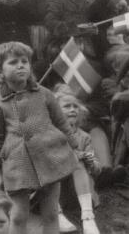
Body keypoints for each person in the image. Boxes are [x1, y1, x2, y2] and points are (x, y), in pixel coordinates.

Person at [0, 42, 79, 234]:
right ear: (0, 72)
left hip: (50, 157)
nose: (21, 65)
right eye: (13, 62)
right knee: (18, 215)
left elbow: (62, 123)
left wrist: (74, 147)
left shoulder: (45, 94)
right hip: (17, 164)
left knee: (51, 213)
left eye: (24, 61)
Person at [55, 90, 101, 234]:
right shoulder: (51, 133)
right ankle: (57, 214)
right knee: (75, 160)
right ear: (55, 111)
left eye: (75, 106)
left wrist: (91, 161)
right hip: (55, 187)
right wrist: (74, 155)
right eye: (67, 106)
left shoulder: (84, 137)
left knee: (79, 163)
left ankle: (88, 218)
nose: (72, 109)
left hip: (79, 191)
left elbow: (96, 170)